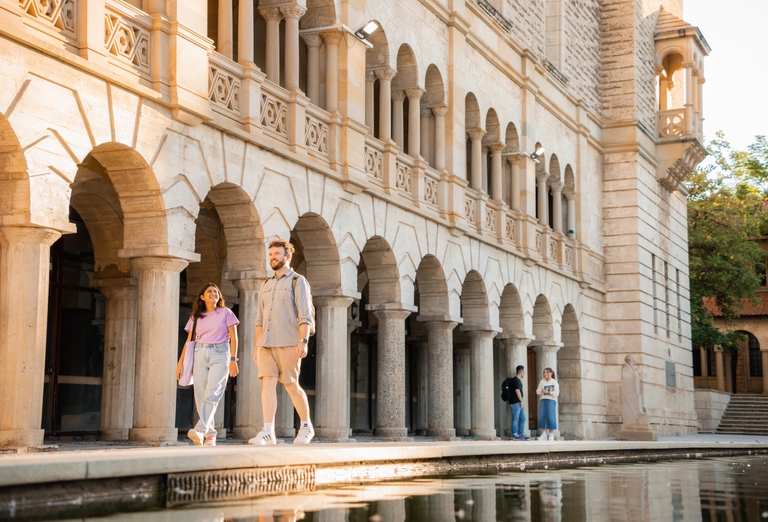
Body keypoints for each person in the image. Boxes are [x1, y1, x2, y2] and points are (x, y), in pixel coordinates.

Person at [249, 238, 316, 445]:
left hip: (289, 341)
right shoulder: (266, 284)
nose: (273, 258)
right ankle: (268, 431)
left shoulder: (298, 281)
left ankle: (306, 426)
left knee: (290, 384)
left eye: (276, 254)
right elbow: (259, 319)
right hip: (265, 343)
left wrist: (303, 340)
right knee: (267, 383)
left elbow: (305, 315)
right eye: (270, 255)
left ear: (287, 256)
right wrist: (256, 346)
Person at [176, 283, 239, 446]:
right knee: (201, 395)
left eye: (216, 291)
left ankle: (200, 429)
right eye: (209, 291)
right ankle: (210, 435)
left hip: (221, 353)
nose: (213, 293)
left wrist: (233, 360)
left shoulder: (226, 313)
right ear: (202, 297)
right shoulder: (196, 317)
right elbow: (189, 341)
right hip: (199, 353)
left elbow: (234, 337)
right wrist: (180, 363)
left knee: (213, 392)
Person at [535, 367, 559, 441]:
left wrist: (548, 392)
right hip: (543, 399)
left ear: (551, 373)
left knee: (551, 416)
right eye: (544, 373)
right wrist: (542, 391)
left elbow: (556, 393)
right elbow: (537, 391)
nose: (545, 374)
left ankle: (551, 434)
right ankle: (544, 433)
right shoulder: (542, 382)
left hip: (551, 400)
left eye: (547, 372)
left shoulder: (554, 382)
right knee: (542, 416)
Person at [509, 365, 529, 440]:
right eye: (524, 372)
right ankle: (514, 434)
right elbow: (517, 391)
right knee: (515, 418)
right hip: (516, 402)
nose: (524, 373)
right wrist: (521, 400)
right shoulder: (516, 380)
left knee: (523, 418)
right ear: (521, 372)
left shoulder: (517, 380)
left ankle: (521, 434)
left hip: (518, 402)